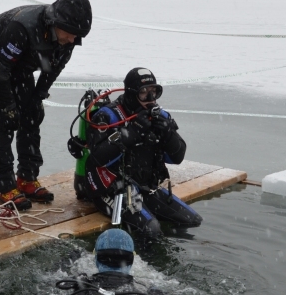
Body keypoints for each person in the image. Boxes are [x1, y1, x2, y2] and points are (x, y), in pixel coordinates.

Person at [0, 0, 92, 210]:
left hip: (21, 62)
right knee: (4, 120)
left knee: (32, 114)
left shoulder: (70, 36)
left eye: (79, 36)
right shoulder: (23, 27)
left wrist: (37, 97)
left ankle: (26, 178)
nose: (74, 41)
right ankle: (5, 187)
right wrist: (7, 106)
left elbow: (52, 69)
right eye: (72, 34)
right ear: (56, 23)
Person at [81, 68, 202, 239]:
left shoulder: (159, 116)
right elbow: (98, 158)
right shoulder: (108, 116)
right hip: (112, 190)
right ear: (131, 94)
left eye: (154, 92)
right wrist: (131, 133)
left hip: (146, 188)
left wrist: (168, 134)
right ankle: (141, 261)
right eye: (144, 93)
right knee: (151, 229)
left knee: (192, 220)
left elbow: (178, 157)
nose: (151, 99)